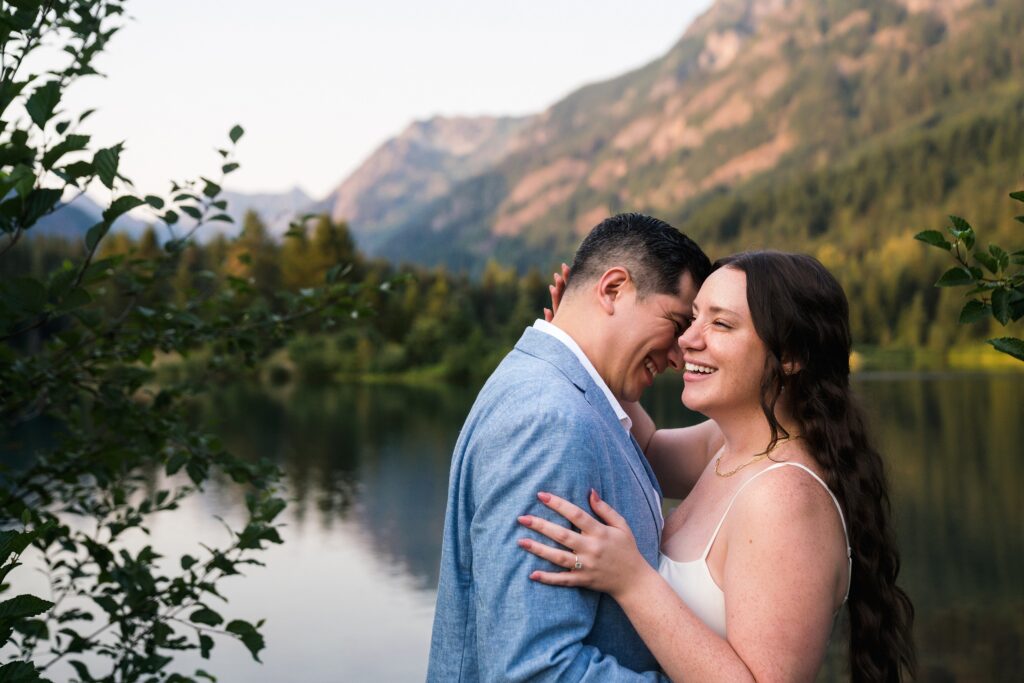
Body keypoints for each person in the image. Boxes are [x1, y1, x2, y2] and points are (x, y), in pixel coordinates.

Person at [518, 251, 916, 681]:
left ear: (791, 356)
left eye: (721, 324)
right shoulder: (726, 446)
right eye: (691, 319)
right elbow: (644, 447)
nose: (687, 340)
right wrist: (590, 338)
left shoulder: (783, 499)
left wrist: (632, 581)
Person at [427, 213, 711, 681]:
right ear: (614, 289)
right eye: (677, 323)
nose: (681, 355)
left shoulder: (561, 391)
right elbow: (534, 671)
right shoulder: (548, 420)